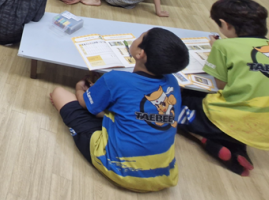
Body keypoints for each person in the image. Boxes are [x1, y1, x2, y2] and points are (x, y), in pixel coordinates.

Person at [50, 28, 189, 192]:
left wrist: (80, 89)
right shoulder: (173, 82)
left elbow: (84, 103)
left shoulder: (115, 78)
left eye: (140, 36)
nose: (136, 38)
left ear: (140, 54)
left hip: (121, 170)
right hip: (164, 175)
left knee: (58, 93)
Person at [178, 0, 269, 176]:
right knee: (243, 116)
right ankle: (238, 150)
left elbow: (220, 85)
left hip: (229, 118)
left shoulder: (223, 46)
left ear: (225, 24)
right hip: (262, 128)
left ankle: (205, 140)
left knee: (179, 101)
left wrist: (217, 48)